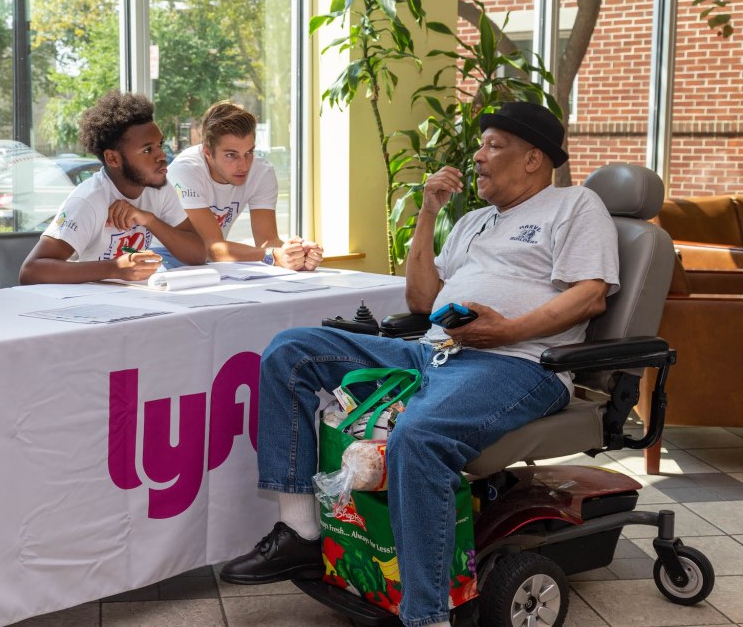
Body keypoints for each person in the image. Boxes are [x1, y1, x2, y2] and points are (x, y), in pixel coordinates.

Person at [219, 102, 620, 627]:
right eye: (481, 145)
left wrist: (508, 330)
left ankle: (426, 616)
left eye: (493, 145)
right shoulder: (475, 220)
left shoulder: (575, 205)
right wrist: (429, 212)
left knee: (418, 435)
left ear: (533, 159)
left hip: (520, 364)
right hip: (434, 352)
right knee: (291, 351)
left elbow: (590, 296)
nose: (477, 156)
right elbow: (421, 298)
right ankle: (300, 532)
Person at [20, 91, 207, 284]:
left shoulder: (159, 187)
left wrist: (149, 220)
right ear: (113, 158)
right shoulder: (88, 200)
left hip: (136, 300)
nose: (161, 156)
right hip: (89, 306)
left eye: (160, 145)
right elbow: (30, 271)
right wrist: (115, 268)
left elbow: (198, 255)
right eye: (147, 150)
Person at [164, 101, 323, 270]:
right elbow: (212, 248)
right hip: (161, 257)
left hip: (208, 263)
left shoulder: (261, 172)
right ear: (208, 152)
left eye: (249, 152)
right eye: (231, 155)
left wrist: (293, 254)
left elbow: (267, 240)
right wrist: (273, 255)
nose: (244, 165)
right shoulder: (186, 171)